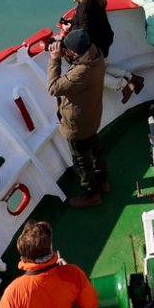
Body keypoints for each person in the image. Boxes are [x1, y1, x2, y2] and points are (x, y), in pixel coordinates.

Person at [58, 0, 143, 104]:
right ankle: (132, 77)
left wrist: (66, 40)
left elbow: (85, 31)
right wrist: (72, 24)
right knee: (102, 66)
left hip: (96, 45)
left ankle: (124, 85)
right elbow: (85, 23)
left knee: (92, 74)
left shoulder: (85, 6)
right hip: (104, 41)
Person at [46, 28, 108, 207]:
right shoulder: (96, 55)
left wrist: (55, 59)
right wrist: (66, 44)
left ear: (75, 52)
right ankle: (103, 182)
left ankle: (91, 194)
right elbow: (78, 57)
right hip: (92, 116)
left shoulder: (81, 72)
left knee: (82, 162)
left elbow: (53, 88)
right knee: (96, 150)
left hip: (77, 125)